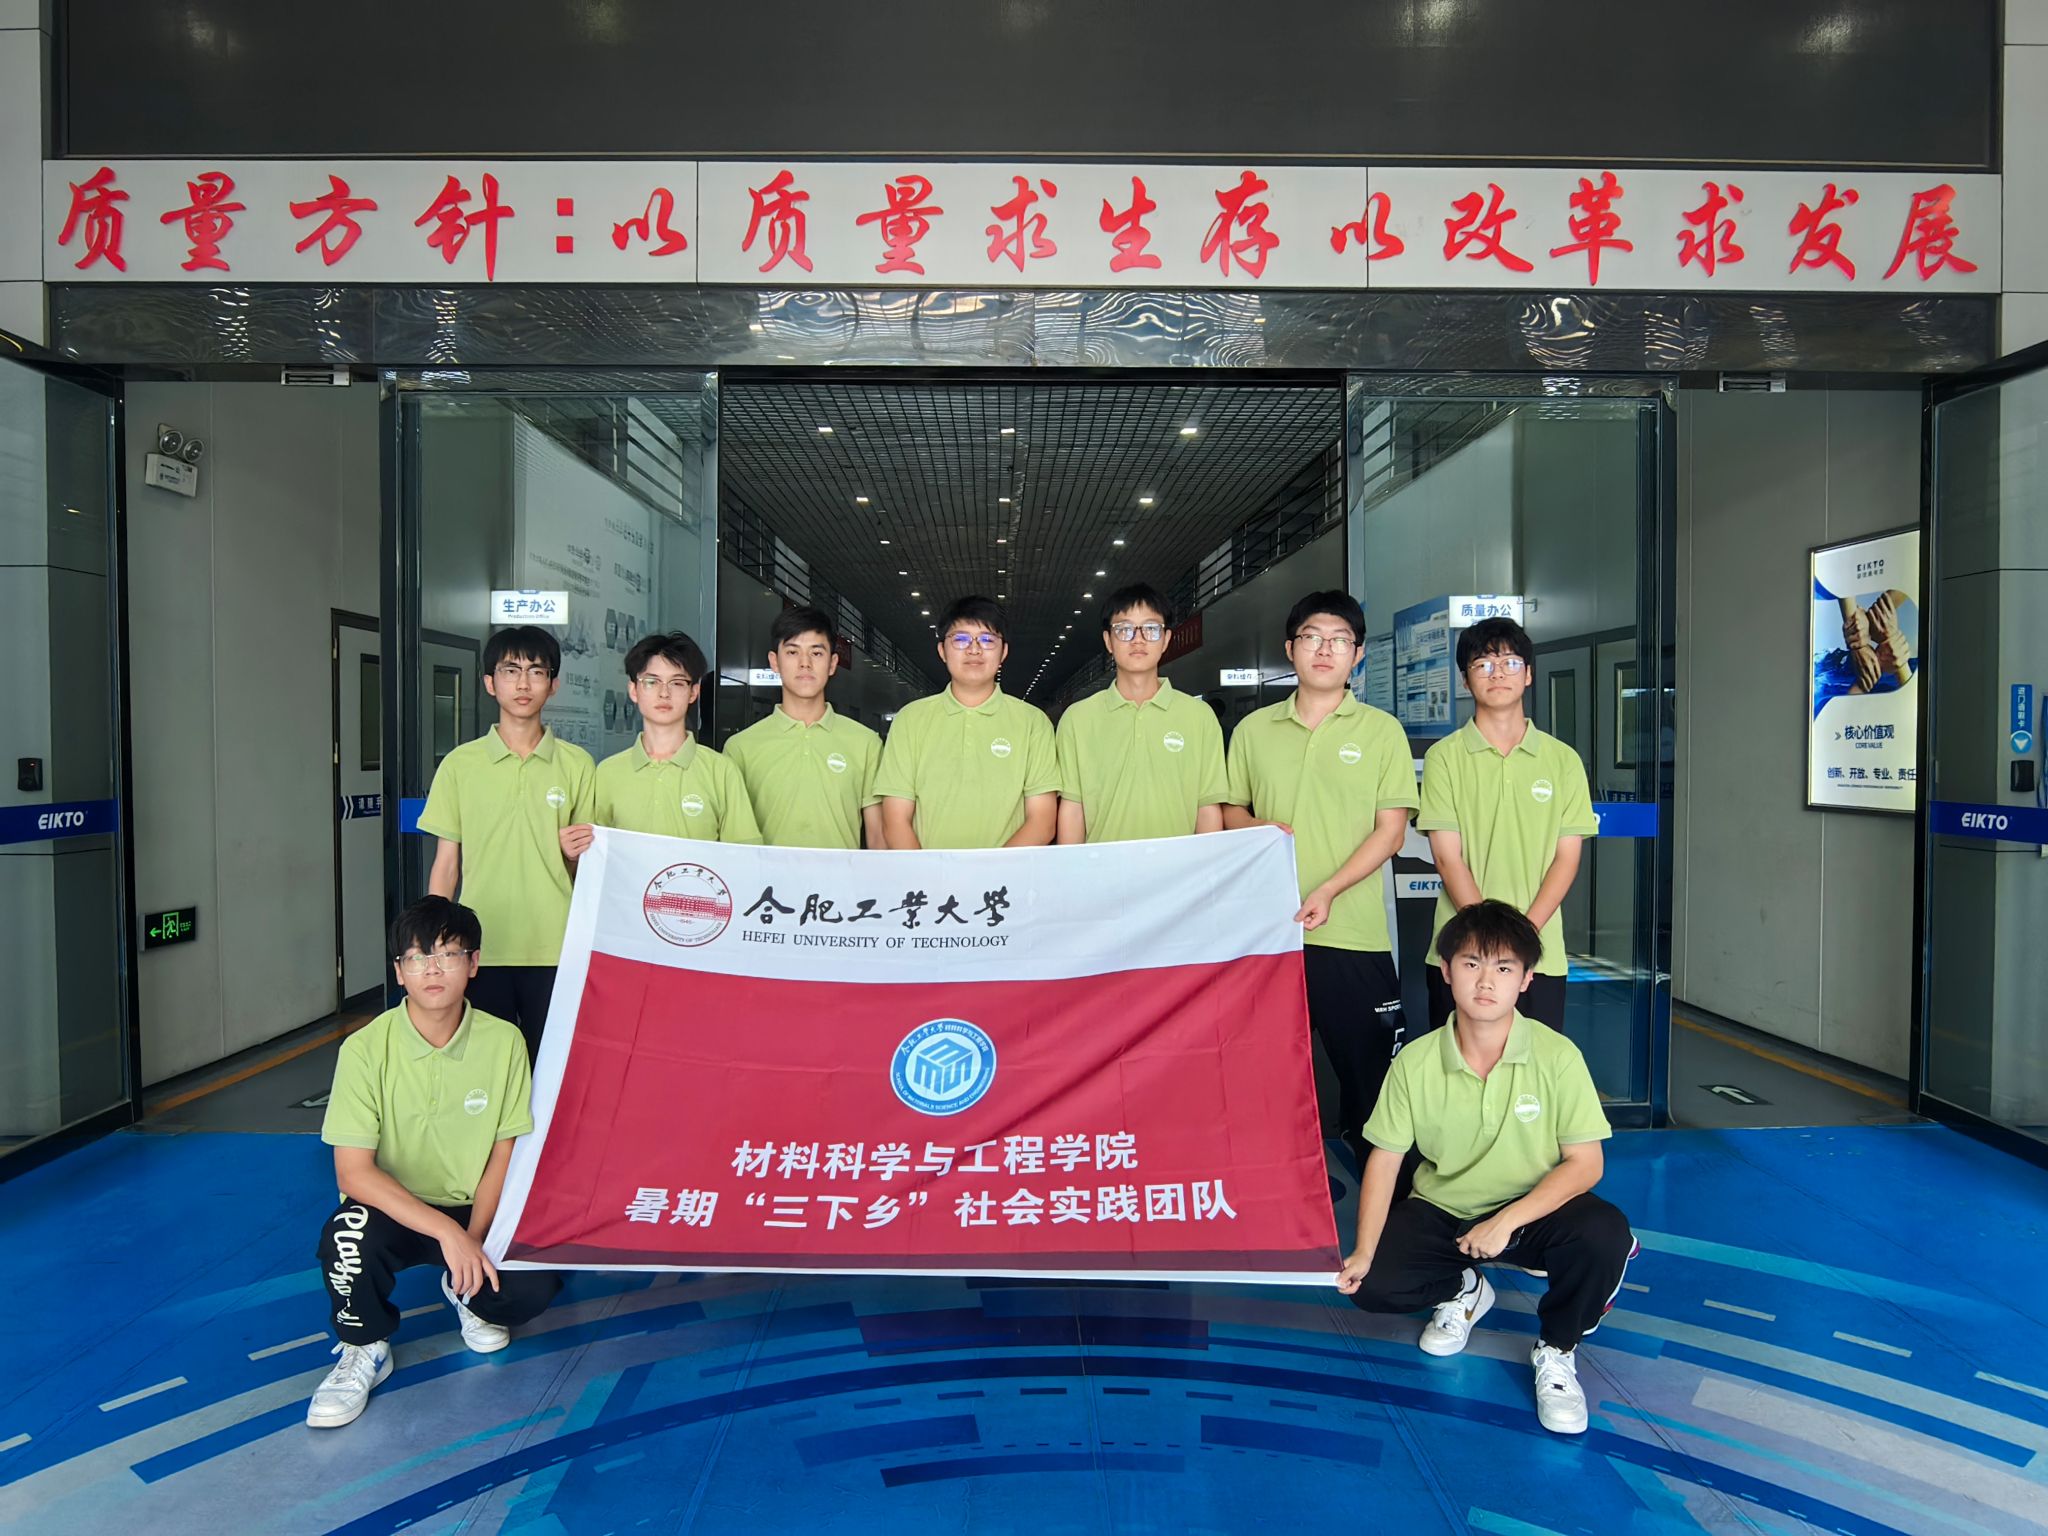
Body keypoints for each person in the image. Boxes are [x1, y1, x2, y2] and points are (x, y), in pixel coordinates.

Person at [1336, 901, 1636, 1436]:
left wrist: (1506, 1221)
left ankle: (1557, 1349)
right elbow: (1385, 1158)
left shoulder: (1557, 1056)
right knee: (1371, 1284)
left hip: (1533, 1211)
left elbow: (1587, 1164)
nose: (1486, 982)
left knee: (1604, 1233)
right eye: (1471, 963)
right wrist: (1363, 1250)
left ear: (1526, 980)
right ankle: (1464, 1290)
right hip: (1445, 1208)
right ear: (1446, 970)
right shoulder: (1416, 1061)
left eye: (1504, 967)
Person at [308, 896, 560, 1430]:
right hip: (394, 1209)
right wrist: (448, 1235)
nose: (433, 969)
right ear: (399, 971)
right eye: (418, 957)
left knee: (533, 1288)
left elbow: (504, 1151)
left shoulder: (505, 1041)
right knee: (346, 1240)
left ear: (474, 964)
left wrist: (474, 1236)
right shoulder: (364, 1049)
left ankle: (462, 1290)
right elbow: (353, 1173)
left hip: (474, 1207)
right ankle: (365, 1346)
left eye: (448, 954)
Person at [1224, 592, 1416, 1160]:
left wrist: (1329, 889)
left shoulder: (1381, 731)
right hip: (1268, 934)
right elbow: (1229, 812)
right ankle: (1274, 1186)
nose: (1324, 649)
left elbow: (1391, 832)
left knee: (1370, 1082)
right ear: (1291, 649)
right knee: (1261, 1077)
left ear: (1358, 654)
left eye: (1339, 640)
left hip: (1351, 933)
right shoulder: (1254, 730)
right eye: (1312, 637)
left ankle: (1385, 1199)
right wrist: (1255, 825)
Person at [419, 625, 595, 1060]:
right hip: (480, 946)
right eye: (510, 670)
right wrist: (433, 942)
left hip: (556, 946)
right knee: (486, 1064)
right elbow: (446, 864)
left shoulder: (577, 765)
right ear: (489, 683)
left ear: (553, 685)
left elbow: (589, 868)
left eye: (536, 671)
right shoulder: (460, 765)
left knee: (552, 1065)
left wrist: (574, 856)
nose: (523, 683)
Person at [1417, 617, 1597, 1032]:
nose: (1497, 673)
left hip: (1540, 955)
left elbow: (1566, 859)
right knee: (1457, 1066)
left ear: (1528, 674)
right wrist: (1489, 945)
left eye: (1510, 663)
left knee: (1533, 1066)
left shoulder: (1563, 760)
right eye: (1483, 664)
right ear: (1466, 680)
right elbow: (1447, 858)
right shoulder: (1445, 758)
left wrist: (1520, 943)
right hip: (1461, 953)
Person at [875, 596, 1058, 849]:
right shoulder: (910, 720)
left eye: (987, 640)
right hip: (929, 873)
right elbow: (895, 820)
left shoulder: (1033, 723)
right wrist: (930, 871)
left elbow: (1042, 822)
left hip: (1007, 873)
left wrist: (990, 871)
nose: (974, 649)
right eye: (960, 639)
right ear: (942, 650)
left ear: (1004, 652)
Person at [1054, 584, 1227, 844]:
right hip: (1103, 867)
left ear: (1166, 639)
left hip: (1179, 868)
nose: (1138, 639)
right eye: (1124, 629)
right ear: (1108, 641)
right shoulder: (1077, 718)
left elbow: (1207, 808)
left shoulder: (1199, 716)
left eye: (1151, 629)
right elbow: (1072, 809)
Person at [568, 630, 763, 847]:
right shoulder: (607, 773)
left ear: (693, 692)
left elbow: (744, 855)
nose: (664, 693)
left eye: (677, 683)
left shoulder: (721, 771)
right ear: (633, 690)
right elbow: (593, 853)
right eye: (652, 682)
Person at [723, 606, 885, 849]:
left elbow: (878, 837)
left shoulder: (865, 743)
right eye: (792, 652)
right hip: (767, 876)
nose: (805, 663)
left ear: (832, 664)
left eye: (816, 653)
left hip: (840, 875)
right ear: (774, 662)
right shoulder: (740, 748)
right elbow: (733, 841)